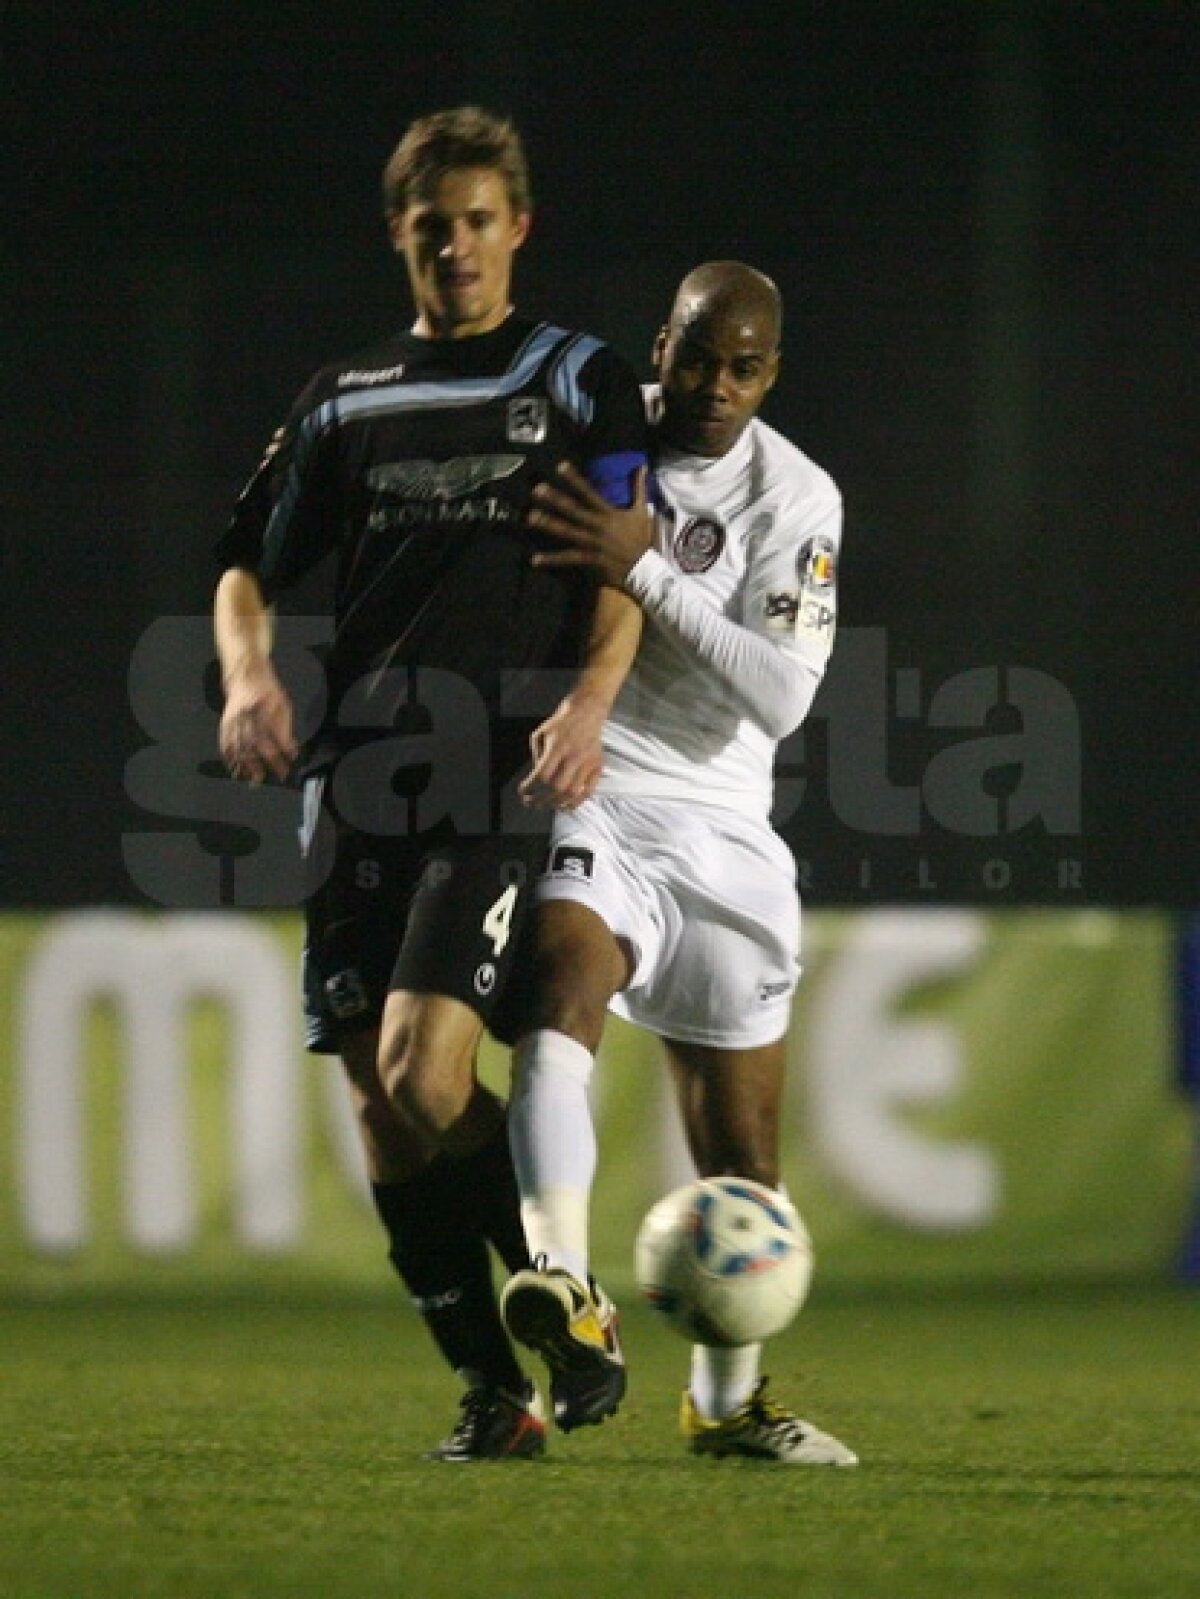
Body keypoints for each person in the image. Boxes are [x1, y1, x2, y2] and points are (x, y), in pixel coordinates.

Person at [212, 106, 648, 1461]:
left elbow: (623, 570)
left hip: (493, 766)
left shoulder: (583, 381)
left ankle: (566, 1290)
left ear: (518, 227)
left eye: (476, 221)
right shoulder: (345, 400)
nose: (454, 247)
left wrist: (585, 705)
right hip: (357, 774)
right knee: (378, 1099)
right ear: (397, 237)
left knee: (422, 1063)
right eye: (429, 226)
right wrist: (246, 675)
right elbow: (241, 566)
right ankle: (492, 1387)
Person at [497, 261, 858, 1465]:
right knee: (557, 982)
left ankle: (725, 1404)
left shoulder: (799, 495)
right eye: (698, 355)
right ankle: (561, 1278)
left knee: (745, 1162)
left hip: (727, 825)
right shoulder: (602, 437)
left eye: (744, 366)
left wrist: (642, 563)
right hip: (599, 791)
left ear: (772, 372)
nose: (715, 385)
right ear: (665, 345)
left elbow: (783, 694)